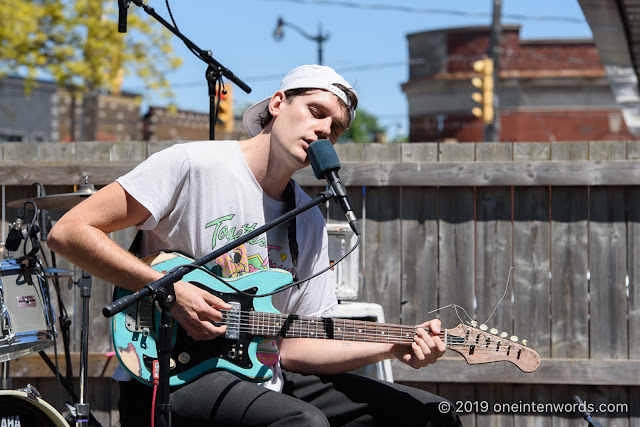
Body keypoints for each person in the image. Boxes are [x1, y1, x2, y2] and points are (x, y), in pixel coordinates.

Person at [47, 64, 461, 426]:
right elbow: (69, 232)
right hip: (169, 371)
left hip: (262, 373)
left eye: (335, 129)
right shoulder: (193, 165)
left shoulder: (309, 216)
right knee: (302, 421)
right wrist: (169, 289)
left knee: (432, 413)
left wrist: (389, 346)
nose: (323, 130)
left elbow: (296, 345)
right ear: (278, 103)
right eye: (316, 112)